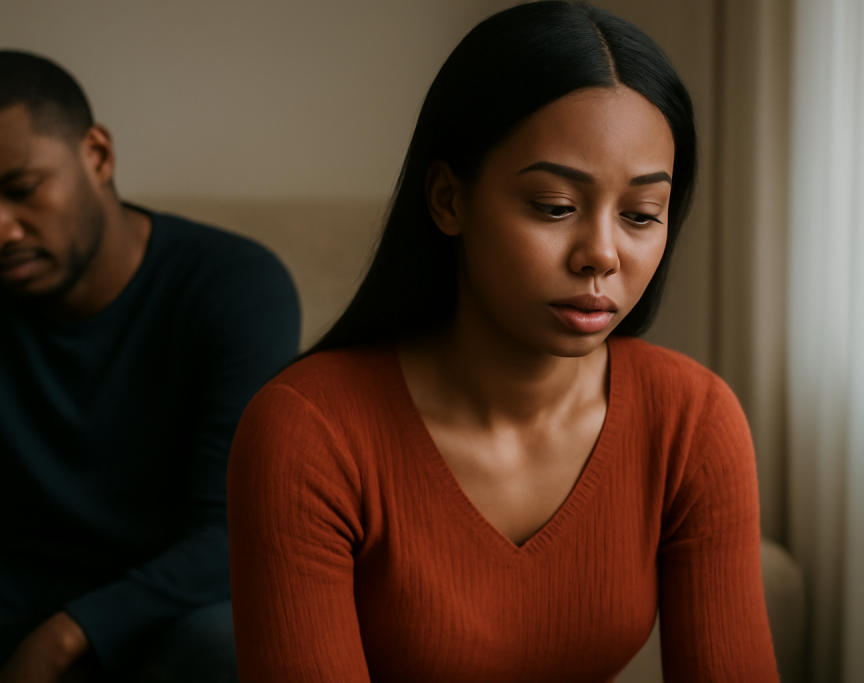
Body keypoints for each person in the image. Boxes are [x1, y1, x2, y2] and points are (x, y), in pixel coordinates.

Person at [227, 2, 780, 681]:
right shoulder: (307, 431)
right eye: (554, 206)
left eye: (641, 215)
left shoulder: (693, 420)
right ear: (448, 200)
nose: (601, 254)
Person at [0, 50, 300, 682]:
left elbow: (235, 539)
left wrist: (64, 638)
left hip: (183, 606)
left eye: (21, 189)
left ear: (98, 156)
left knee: (238, 655)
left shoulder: (237, 286)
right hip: (27, 588)